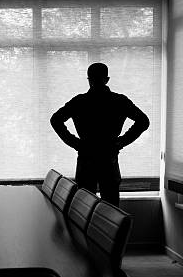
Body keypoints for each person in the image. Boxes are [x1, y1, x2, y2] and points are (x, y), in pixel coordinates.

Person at [50, 63, 149, 206]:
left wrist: (76, 143)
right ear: (107, 79)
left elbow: (55, 120)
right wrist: (120, 142)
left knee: (83, 208)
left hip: (86, 157)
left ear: (88, 79)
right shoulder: (119, 101)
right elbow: (143, 121)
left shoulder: (79, 101)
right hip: (108, 157)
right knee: (111, 210)